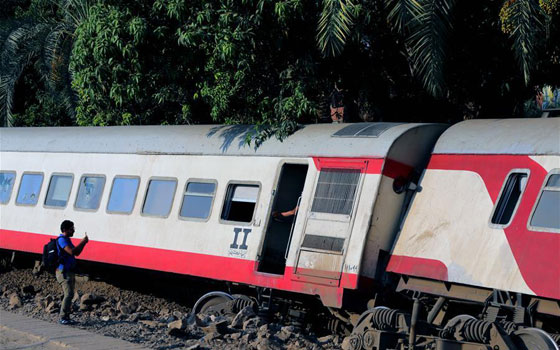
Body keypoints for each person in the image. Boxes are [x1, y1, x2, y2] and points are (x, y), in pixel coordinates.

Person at [56, 220, 89, 324]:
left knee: (69, 294)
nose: (73, 230)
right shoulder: (62, 240)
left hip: (69, 271)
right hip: (63, 271)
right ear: (65, 229)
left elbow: (77, 253)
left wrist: (84, 244)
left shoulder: (67, 240)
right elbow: (72, 251)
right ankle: (63, 317)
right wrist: (82, 242)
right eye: (71, 228)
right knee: (69, 294)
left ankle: (66, 316)